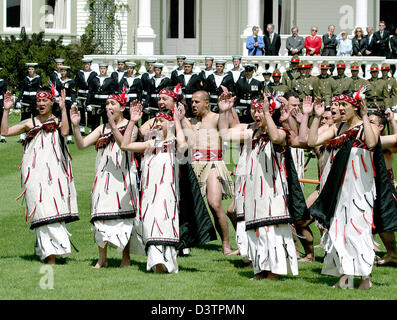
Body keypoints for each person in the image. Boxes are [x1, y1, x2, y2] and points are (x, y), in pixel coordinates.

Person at [121, 90, 217, 272]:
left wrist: (176, 122)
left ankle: (164, 263)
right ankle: (156, 262)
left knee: (164, 222)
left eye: (161, 121)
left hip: (167, 195)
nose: (157, 124)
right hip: (149, 194)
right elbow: (125, 145)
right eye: (156, 121)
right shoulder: (150, 143)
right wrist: (133, 121)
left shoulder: (174, 145)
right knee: (150, 223)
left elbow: (184, 144)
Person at [218, 94, 308, 280]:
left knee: (271, 231)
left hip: (273, 192)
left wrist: (267, 114)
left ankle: (274, 272)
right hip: (254, 192)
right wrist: (224, 110)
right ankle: (261, 270)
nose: (256, 114)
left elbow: (275, 137)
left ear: (270, 111)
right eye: (255, 110)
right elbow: (225, 134)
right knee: (256, 231)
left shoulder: (282, 132)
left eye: (260, 111)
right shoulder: (252, 133)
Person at [308, 93, 381, 289]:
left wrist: (365, 115)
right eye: (337, 104)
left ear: (355, 107)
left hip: (360, 189)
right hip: (339, 189)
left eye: (343, 105)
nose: (338, 108)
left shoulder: (367, 127)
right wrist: (315, 117)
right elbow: (311, 141)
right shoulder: (337, 127)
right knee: (339, 231)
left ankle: (365, 279)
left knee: (359, 231)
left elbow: (372, 143)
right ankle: (345, 277)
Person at [1, 88, 79, 264]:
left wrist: (64, 107)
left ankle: (53, 252)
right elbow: (5, 132)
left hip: (55, 174)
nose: (41, 104)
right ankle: (48, 253)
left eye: (45, 101)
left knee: (53, 209)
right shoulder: (30, 123)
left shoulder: (58, 121)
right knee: (40, 209)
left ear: (52, 102)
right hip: (34, 174)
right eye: (39, 101)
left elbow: (65, 132)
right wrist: (6, 110)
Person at [70, 92, 141, 268]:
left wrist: (114, 125)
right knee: (100, 216)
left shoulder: (132, 126)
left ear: (122, 107)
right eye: (107, 103)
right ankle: (102, 258)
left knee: (125, 218)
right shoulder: (102, 128)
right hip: (103, 177)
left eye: (113, 103)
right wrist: (76, 126)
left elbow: (123, 145)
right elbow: (81, 145)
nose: (109, 106)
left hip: (124, 177)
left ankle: (126, 259)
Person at [181, 90, 237, 255]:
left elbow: (229, 128)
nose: (193, 105)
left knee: (214, 204)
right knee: (187, 206)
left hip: (213, 163)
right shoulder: (190, 120)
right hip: (193, 164)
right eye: (192, 102)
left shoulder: (216, 117)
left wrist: (226, 109)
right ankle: (185, 242)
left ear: (207, 102)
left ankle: (226, 245)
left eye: (197, 102)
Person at [15, 63, 42, 143]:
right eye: (29, 69)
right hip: (26, 101)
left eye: (32, 69)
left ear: (35, 70)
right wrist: (18, 100)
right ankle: (22, 137)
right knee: (24, 118)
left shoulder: (38, 79)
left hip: (34, 101)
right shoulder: (25, 79)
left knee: (36, 118)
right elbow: (22, 90)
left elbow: (39, 90)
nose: (30, 71)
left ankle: (36, 135)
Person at [86, 63, 118, 128]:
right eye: (101, 68)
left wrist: (112, 104)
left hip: (105, 103)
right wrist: (88, 103)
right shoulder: (94, 79)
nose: (102, 70)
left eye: (104, 68)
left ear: (106, 69)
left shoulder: (110, 80)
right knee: (95, 122)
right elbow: (90, 92)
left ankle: (106, 135)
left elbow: (112, 93)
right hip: (96, 103)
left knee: (106, 121)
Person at [74, 58, 97, 135]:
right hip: (81, 94)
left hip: (89, 95)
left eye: (88, 64)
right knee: (81, 112)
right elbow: (76, 85)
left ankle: (90, 129)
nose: (86, 65)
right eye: (85, 64)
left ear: (90, 64)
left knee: (90, 112)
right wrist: (75, 97)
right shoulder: (79, 73)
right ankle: (82, 129)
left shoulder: (94, 74)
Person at [55, 66, 76, 144]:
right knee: (58, 118)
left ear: (67, 72)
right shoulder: (57, 81)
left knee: (67, 119)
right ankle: (59, 134)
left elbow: (73, 93)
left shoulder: (71, 82)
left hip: (67, 102)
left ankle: (69, 137)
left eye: (64, 71)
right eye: (61, 71)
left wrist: (74, 102)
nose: (63, 73)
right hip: (59, 101)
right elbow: (56, 90)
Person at [0, 68, 7, 143]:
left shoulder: (2, 82)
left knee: (1, 119)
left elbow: (4, 92)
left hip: (0, 101)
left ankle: (2, 136)